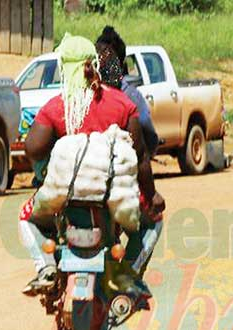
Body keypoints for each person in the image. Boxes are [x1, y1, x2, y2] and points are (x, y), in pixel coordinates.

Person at [19, 33, 165, 296]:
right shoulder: (123, 104)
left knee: (26, 218)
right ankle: (126, 274)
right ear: (95, 65)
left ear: (64, 68)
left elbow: (33, 148)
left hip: (65, 200)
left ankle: (46, 268)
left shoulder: (56, 106)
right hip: (112, 200)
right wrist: (151, 195)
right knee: (153, 220)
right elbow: (140, 156)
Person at [95, 26, 163, 295]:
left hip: (80, 181)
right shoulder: (129, 98)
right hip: (122, 181)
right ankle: (127, 276)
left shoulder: (81, 93)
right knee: (152, 220)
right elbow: (147, 141)